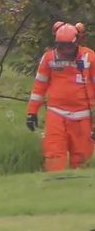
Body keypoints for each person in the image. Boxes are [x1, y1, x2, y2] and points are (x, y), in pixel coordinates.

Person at [27, 21, 95, 171]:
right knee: (53, 153)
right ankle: (53, 186)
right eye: (61, 46)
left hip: (83, 117)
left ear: (77, 41)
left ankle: (79, 189)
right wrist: (32, 112)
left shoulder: (89, 58)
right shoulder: (49, 58)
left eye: (68, 46)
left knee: (82, 158)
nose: (64, 50)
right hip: (56, 114)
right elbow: (39, 86)